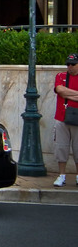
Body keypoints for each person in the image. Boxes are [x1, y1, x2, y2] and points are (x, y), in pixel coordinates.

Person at [52, 53, 78, 187]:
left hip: (76, 118)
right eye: (68, 64)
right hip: (61, 117)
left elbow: (64, 92)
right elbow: (59, 90)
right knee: (61, 147)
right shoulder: (61, 76)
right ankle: (61, 175)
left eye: (73, 64)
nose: (70, 67)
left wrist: (68, 94)